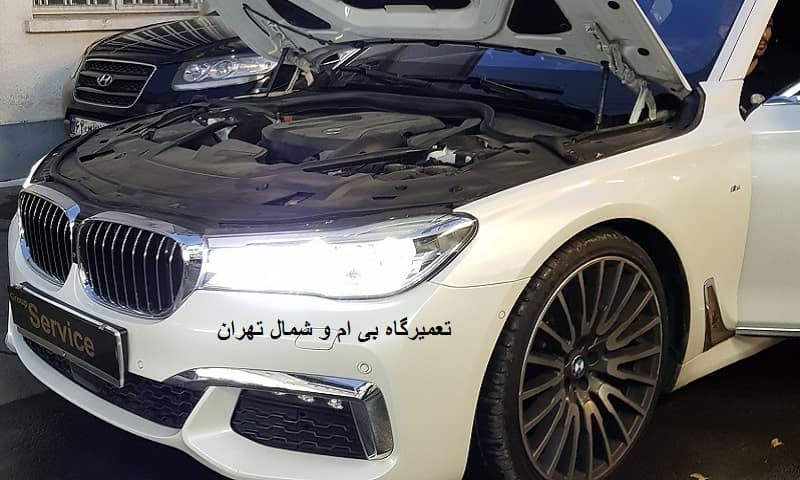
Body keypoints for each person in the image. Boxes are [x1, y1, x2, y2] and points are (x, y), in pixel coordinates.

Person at [740, 18, 779, 114]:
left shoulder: (774, 76)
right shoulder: (717, 73)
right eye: (757, 27)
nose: (764, 35)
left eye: (768, 27)